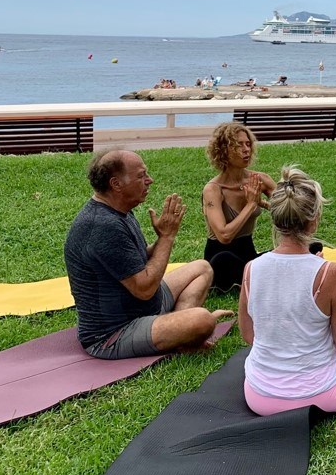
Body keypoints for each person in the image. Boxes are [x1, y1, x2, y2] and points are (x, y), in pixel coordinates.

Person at [239, 167, 336, 417]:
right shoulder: (329, 273)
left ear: (276, 221)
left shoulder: (251, 269)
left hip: (260, 396)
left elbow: (249, 335)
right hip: (321, 395)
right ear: (313, 221)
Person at [64, 150, 231, 359]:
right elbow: (144, 289)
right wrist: (167, 238)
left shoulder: (119, 211)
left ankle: (179, 327)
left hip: (145, 306)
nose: (149, 180)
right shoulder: (102, 226)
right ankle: (183, 329)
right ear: (116, 184)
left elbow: (133, 259)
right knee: (204, 321)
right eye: (141, 176)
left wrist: (161, 237)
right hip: (114, 333)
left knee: (202, 267)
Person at [202, 122, 276, 292]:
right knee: (224, 259)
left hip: (248, 254)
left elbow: (290, 213)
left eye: (248, 144)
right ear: (223, 151)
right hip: (220, 256)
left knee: (310, 247)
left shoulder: (260, 180)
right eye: (238, 145)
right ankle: (255, 276)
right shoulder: (213, 189)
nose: (246, 149)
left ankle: (254, 275)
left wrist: (266, 204)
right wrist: (250, 204)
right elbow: (224, 235)